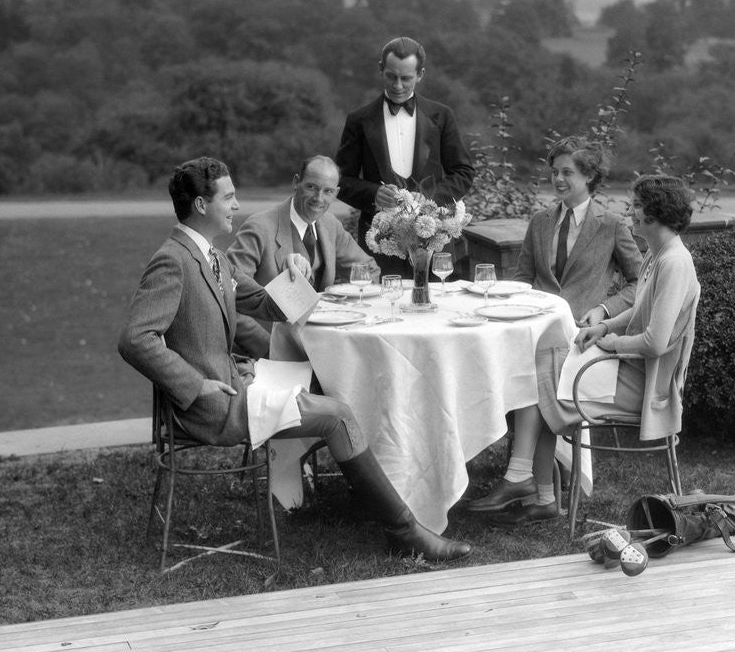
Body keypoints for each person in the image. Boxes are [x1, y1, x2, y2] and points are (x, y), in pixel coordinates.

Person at [118, 157, 471, 561]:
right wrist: (195, 385)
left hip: (239, 381)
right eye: (229, 197)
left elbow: (264, 304)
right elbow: (136, 339)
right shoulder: (174, 259)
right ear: (201, 206)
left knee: (336, 389)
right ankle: (406, 532)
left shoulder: (211, 255)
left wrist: (293, 276)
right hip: (215, 405)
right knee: (337, 413)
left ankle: (389, 509)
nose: (236, 205)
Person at [468, 174, 700, 526]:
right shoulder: (658, 253)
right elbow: (639, 310)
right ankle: (534, 489)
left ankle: (527, 482)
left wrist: (610, 343)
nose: (631, 212)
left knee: (541, 374)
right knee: (542, 365)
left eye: (637, 206)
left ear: (655, 213)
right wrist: (604, 326)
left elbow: (655, 343)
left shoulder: (674, 263)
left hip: (646, 384)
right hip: (628, 367)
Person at [335, 36, 474, 277]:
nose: (398, 85)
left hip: (434, 241)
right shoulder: (358, 120)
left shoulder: (442, 116)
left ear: (420, 74)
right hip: (378, 245)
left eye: (406, 78)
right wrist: (373, 194)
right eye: (391, 76)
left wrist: (430, 199)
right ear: (381, 69)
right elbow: (341, 180)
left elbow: (463, 173)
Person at [226, 155, 381, 358]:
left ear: (336, 193)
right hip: (270, 354)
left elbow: (368, 270)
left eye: (328, 191)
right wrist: (269, 348)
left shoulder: (330, 224)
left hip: (326, 345)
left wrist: (343, 304)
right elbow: (228, 296)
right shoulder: (259, 228)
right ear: (295, 182)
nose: (319, 198)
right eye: (311, 187)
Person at [513, 137, 641, 324]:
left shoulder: (612, 225)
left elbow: (642, 282)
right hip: (534, 326)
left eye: (567, 172)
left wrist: (604, 310)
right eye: (555, 172)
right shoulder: (539, 221)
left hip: (581, 332)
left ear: (589, 176)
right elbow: (523, 278)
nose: (558, 179)